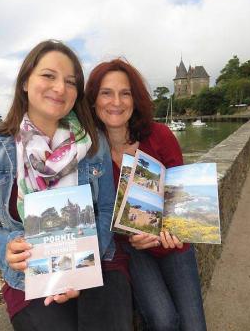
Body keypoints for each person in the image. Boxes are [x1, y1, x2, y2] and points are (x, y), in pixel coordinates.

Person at [0, 41, 133, 331]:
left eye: (70, 81)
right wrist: (5, 246)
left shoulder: (93, 143)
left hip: (98, 260)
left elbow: (106, 211)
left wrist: (81, 266)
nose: (60, 88)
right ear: (26, 81)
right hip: (28, 274)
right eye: (48, 76)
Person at [85, 58, 207, 331]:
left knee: (194, 324)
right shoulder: (89, 152)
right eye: (106, 92)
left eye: (125, 93)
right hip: (131, 247)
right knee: (163, 319)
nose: (116, 101)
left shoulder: (160, 136)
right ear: (93, 101)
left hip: (172, 241)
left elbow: (182, 199)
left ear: (135, 98)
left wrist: (164, 229)